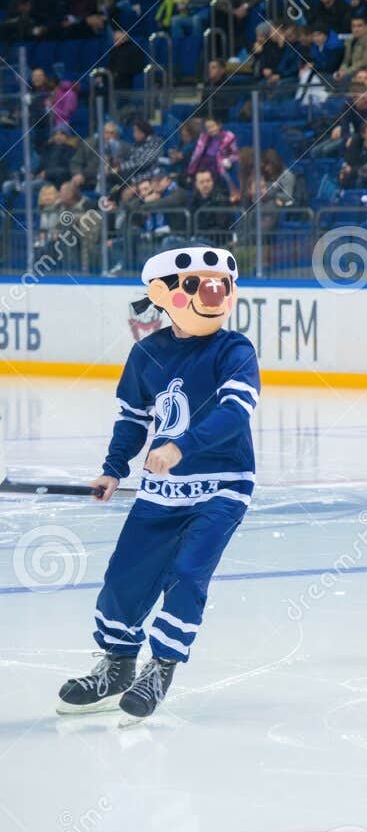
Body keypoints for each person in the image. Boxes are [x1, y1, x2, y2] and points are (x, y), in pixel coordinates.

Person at [57, 246, 259, 722]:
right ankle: (117, 666)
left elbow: (235, 411)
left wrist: (180, 447)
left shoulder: (234, 350)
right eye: (194, 285)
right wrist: (113, 468)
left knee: (188, 574)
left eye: (222, 286)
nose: (213, 293)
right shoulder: (147, 353)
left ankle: (162, 666)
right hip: (160, 491)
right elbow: (131, 418)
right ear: (161, 294)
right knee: (126, 576)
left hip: (222, 486)